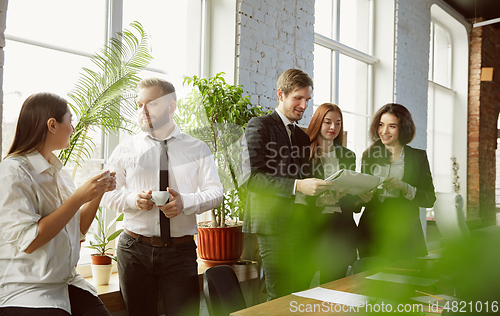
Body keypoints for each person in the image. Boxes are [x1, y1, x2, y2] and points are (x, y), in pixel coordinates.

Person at [100, 78, 223, 316]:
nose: (143, 111)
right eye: (139, 105)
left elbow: (215, 192)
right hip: (133, 251)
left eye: (151, 104)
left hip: (179, 253)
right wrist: (132, 200)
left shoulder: (197, 148)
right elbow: (106, 195)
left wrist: (184, 202)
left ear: (171, 106)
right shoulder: (125, 149)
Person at [0, 93, 116, 316]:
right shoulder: (13, 172)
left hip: (66, 283)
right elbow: (30, 241)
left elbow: (77, 229)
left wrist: (98, 193)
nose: (73, 128)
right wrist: (78, 198)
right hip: (27, 289)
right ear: (52, 125)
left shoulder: (59, 173)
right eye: (70, 121)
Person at [243, 68, 333, 300]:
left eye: (307, 99)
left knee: (300, 292)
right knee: (279, 295)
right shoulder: (259, 126)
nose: (304, 105)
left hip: (301, 226)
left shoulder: (303, 137)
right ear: (281, 94)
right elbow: (251, 178)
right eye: (298, 98)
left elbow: (303, 178)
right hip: (272, 226)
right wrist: (297, 186)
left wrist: (319, 192)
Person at [358, 103, 436, 262]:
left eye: (391, 126)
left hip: (405, 232)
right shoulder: (368, 155)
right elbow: (361, 194)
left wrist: (404, 187)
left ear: (403, 128)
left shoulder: (418, 157)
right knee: (369, 283)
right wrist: (363, 195)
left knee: (404, 281)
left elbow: (429, 199)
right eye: (381, 125)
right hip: (372, 231)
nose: (384, 131)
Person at [306, 103, 373, 283]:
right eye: (328, 122)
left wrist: (360, 200)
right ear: (318, 122)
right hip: (312, 228)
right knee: (302, 287)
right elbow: (297, 193)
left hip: (341, 230)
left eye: (338, 123)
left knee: (335, 287)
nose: (333, 128)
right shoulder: (305, 153)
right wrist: (321, 201)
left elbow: (349, 199)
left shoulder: (348, 156)